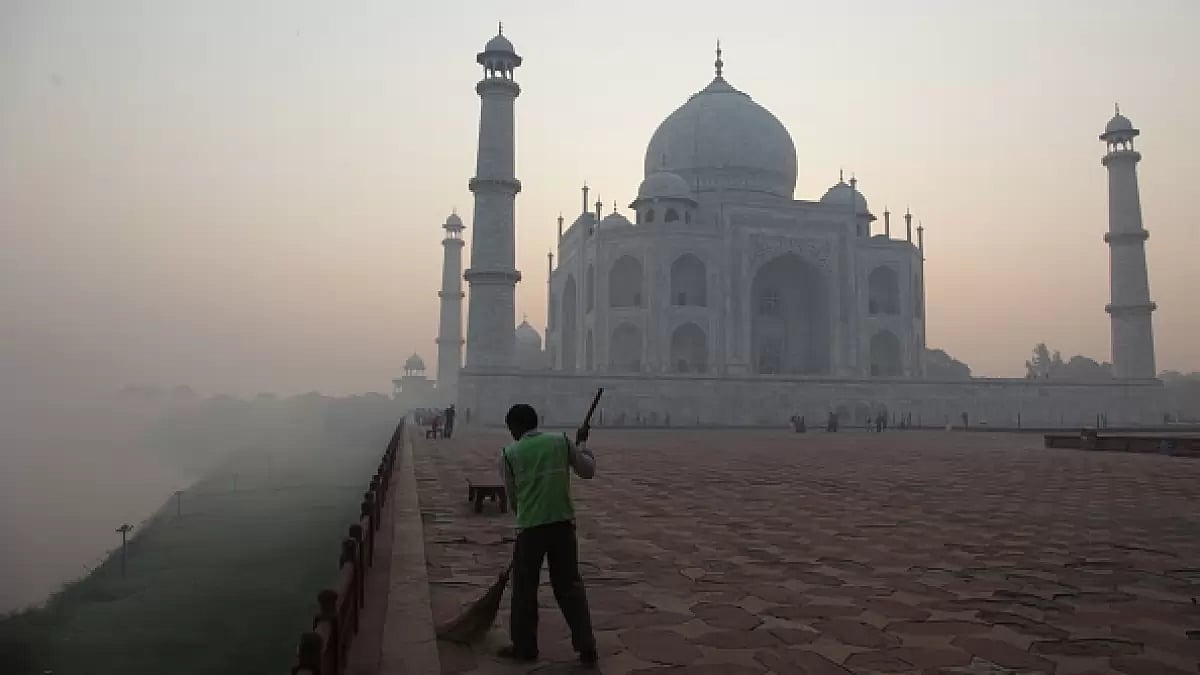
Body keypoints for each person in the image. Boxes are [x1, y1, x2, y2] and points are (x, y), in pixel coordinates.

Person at [497, 403, 598, 666]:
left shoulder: (509, 454)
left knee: (524, 591)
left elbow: (513, 499)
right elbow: (588, 471)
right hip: (562, 524)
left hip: (530, 528)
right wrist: (583, 446)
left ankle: (525, 647)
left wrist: (525, 517)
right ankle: (586, 646)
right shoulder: (560, 442)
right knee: (569, 587)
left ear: (515, 427)